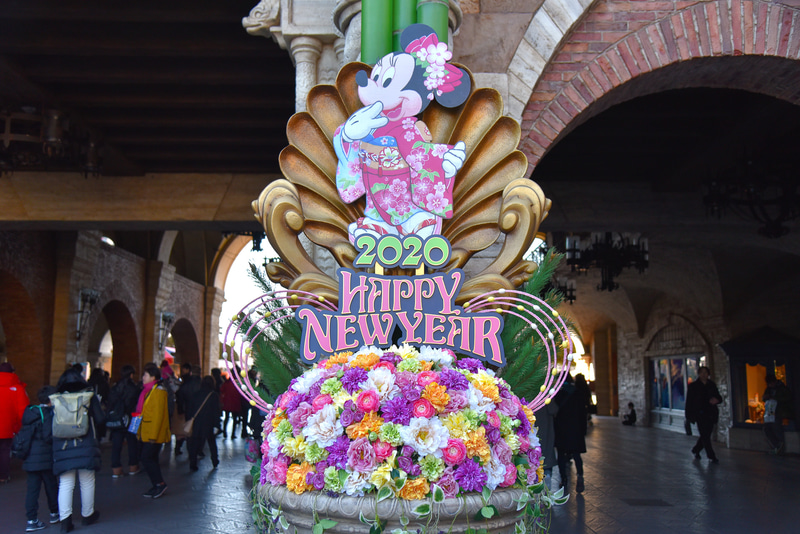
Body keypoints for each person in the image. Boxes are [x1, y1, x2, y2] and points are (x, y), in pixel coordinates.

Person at [52, 365, 104, 532]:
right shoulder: (89, 396)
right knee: (87, 480)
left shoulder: (57, 397)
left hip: (63, 444)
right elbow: (100, 418)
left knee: (66, 483)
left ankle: (65, 520)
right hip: (85, 442)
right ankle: (87, 514)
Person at [12, 385, 59, 532]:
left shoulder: (31, 412)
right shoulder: (48, 413)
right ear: (51, 400)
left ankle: (31, 520)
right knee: (51, 487)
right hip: (45, 459)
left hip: (30, 459)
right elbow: (48, 436)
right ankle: (54, 513)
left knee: (32, 490)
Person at [137, 362, 170, 499]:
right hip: (147, 431)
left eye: (145, 375)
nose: (143, 377)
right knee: (151, 458)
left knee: (147, 458)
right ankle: (156, 484)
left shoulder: (158, 392)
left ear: (152, 377)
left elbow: (158, 415)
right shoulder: (148, 390)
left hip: (153, 433)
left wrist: (153, 436)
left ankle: (160, 483)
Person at [554, 374, 591, 493]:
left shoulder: (558, 394)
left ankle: (564, 479)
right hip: (575, 430)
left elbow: (554, 412)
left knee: (561, 455)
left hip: (561, 429)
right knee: (576, 454)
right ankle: (580, 475)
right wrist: (583, 430)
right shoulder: (578, 393)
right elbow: (583, 413)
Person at [107, 365, 141, 477]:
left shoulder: (115, 387)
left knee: (116, 444)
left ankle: (116, 468)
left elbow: (110, 403)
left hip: (118, 418)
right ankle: (133, 467)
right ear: (131, 374)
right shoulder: (135, 388)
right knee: (132, 443)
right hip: (133, 418)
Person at [685, 366, 723, 463]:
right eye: (702, 372)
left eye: (705, 372)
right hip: (700, 414)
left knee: (706, 435)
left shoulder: (711, 385)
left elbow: (719, 397)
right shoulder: (693, 386)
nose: (704, 374)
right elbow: (689, 401)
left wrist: (716, 400)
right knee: (705, 435)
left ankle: (696, 449)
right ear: (698, 374)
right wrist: (689, 416)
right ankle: (711, 456)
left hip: (710, 413)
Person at [0, 361, 29, 483]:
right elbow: (23, 411)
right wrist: (17, 427)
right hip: (8, 427)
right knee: (5, 451)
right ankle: (3, 476)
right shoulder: (18, 388)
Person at [187, 376, 221, 472]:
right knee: (211, 442)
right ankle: (215, 460)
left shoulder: (196, 394)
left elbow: (190, 409)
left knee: (195, 443)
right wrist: (217, 425)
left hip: (197, 423)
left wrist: (189, 419)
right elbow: (216, 412)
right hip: (209, 424)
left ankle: (192, 463)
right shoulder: (213, 395)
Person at [763, 373, 794, 455]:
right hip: (770, 412)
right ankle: (776, 445)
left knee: (777, 428)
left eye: (771, 383)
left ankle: (780, 447)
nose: (770, 385)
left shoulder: (782, 388)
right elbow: (764, 397)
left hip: (779, 412)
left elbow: (788, 397)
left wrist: (775, 398)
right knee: (767, 428)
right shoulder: (769, 389)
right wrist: (765, 397)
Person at [174, 362, 201, 456]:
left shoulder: (186, 383)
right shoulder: (201, 384)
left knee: (184, 430)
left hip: (187, 410)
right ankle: (194, 452)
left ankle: (179, 448)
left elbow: (180, 395)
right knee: (195, 432)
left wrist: (180, 409)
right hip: (198, 411)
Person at [534, 399, 559, 490]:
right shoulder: (545, 396)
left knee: (533, 458)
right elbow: (554, 409)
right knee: (547, 457)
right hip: (546, 432)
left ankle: (537, 486)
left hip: (533, 432)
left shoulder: (528, 394)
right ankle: (547, 476)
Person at [220, 373, 243, 439]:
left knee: (226, 418)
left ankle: (224, 432)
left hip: (227, 403)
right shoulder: (238, 384)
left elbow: (221, 390)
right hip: (235, 403)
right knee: (235, 420)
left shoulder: (227, 383)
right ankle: (233, 434)